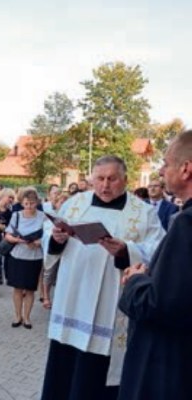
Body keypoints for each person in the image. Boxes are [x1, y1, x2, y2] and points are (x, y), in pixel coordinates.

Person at [40, 155, 164, 400]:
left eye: (112, 179)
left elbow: (159, 250)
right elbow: (49, 235)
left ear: (125, 179)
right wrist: (56, 238)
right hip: (72, 302)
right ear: (92, 179)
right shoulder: (75, 204)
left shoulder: (144, 213)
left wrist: (126, 251)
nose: (105, 185)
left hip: (109, 306)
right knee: (64, 370)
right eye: (100, 178)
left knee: (95, 377)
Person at [117, 130, 192, 400]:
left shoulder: (187, 223)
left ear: (186, 169)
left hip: (168, 366)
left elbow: (161, 305)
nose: (161, 171)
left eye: (166, 163)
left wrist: (135, 281)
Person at [4, 188, 45, 329]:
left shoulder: (43, 216)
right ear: (22, 203)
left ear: (37, 203)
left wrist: (39, 242)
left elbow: (47, 236)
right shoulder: (16, 215)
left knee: (30, 289)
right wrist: (17, 240)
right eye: (26, 203)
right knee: (17, 288)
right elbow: (7, 234)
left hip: (34, 257)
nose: (29, 206)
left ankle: (27, 317)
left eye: (32, 203)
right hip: (18, 255)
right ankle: (17, 316)